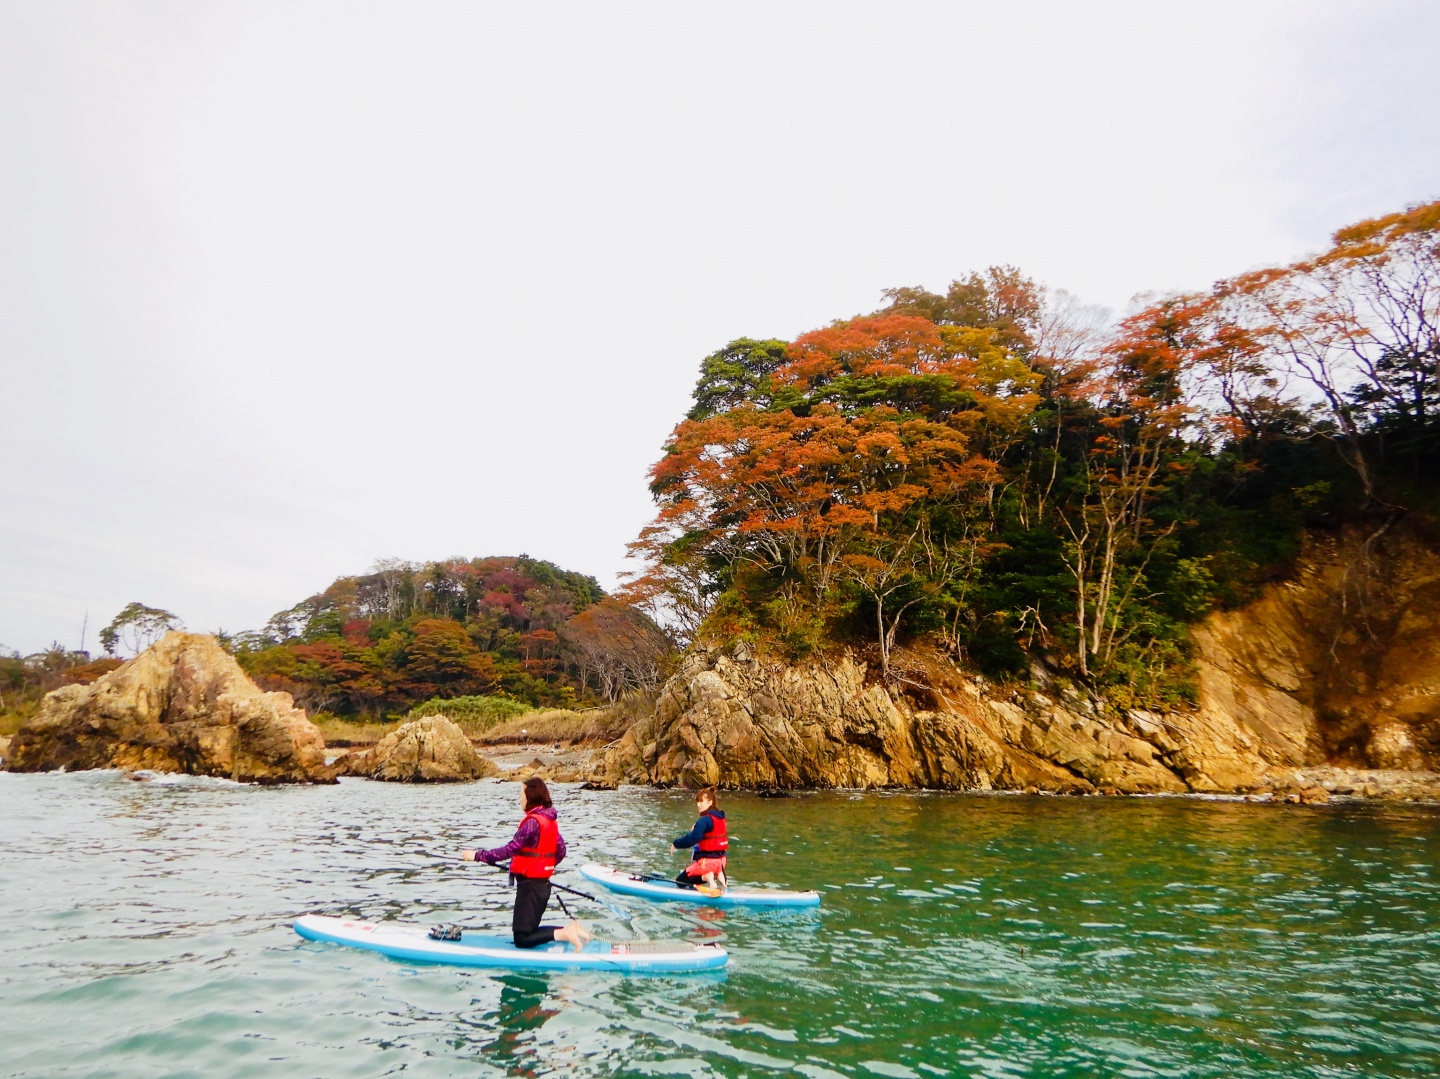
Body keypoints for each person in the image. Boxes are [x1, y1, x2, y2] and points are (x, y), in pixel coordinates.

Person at [463, 778, 591, 950]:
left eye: (521, 794)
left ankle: (565, 932)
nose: (519, 799)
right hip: (541, 886)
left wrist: (477, 855)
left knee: (522, 939)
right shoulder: (549, 819)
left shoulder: (532, 822)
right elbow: (561, 850)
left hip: (531, 887)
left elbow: (510, 849)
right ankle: (569, 930)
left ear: (530, 796)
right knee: (528, 932)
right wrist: (544, 867)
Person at [671, 786, 728, 893]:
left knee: (680, 881)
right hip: (721, 862)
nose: (698, 804)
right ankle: (723, 881)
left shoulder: (704, 820)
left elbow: (693, 838)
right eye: (697, 801)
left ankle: (707, 877)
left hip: (708, 862)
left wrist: (676, 844)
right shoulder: (721, 818)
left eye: (702, 801)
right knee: (714, 867)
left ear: (710, 803)